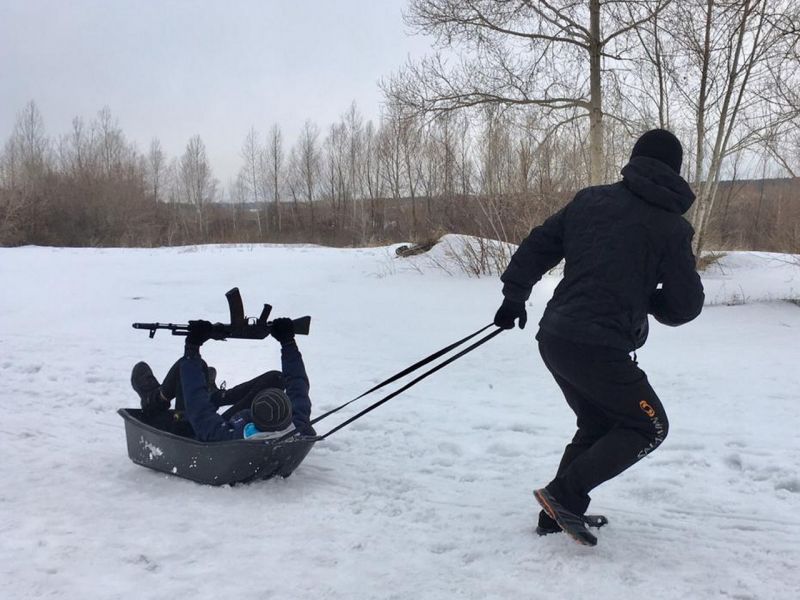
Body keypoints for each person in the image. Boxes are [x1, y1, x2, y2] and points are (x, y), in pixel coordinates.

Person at [493, 129, 704, 546]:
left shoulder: (590, 200)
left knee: (598, 423)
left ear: (635, 160)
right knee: (649, 426)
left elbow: (538, 245)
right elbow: (685, 305)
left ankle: (556, 514)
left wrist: (514, 297)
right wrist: (650, 301)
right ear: (676, 171)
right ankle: (563, 495)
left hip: (555, 337)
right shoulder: (671, 227)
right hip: (599, 348)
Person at [130, 317, 316, 441]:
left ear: (253, 419)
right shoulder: (297, 427)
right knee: (275, 379)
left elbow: (197, 407)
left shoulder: (225, 436)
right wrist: (288, 342)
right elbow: (298, 386)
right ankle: (214, 395)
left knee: (189, 367)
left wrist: (192, 348)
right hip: (234, 423)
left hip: (189, 428)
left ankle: (154, 398)